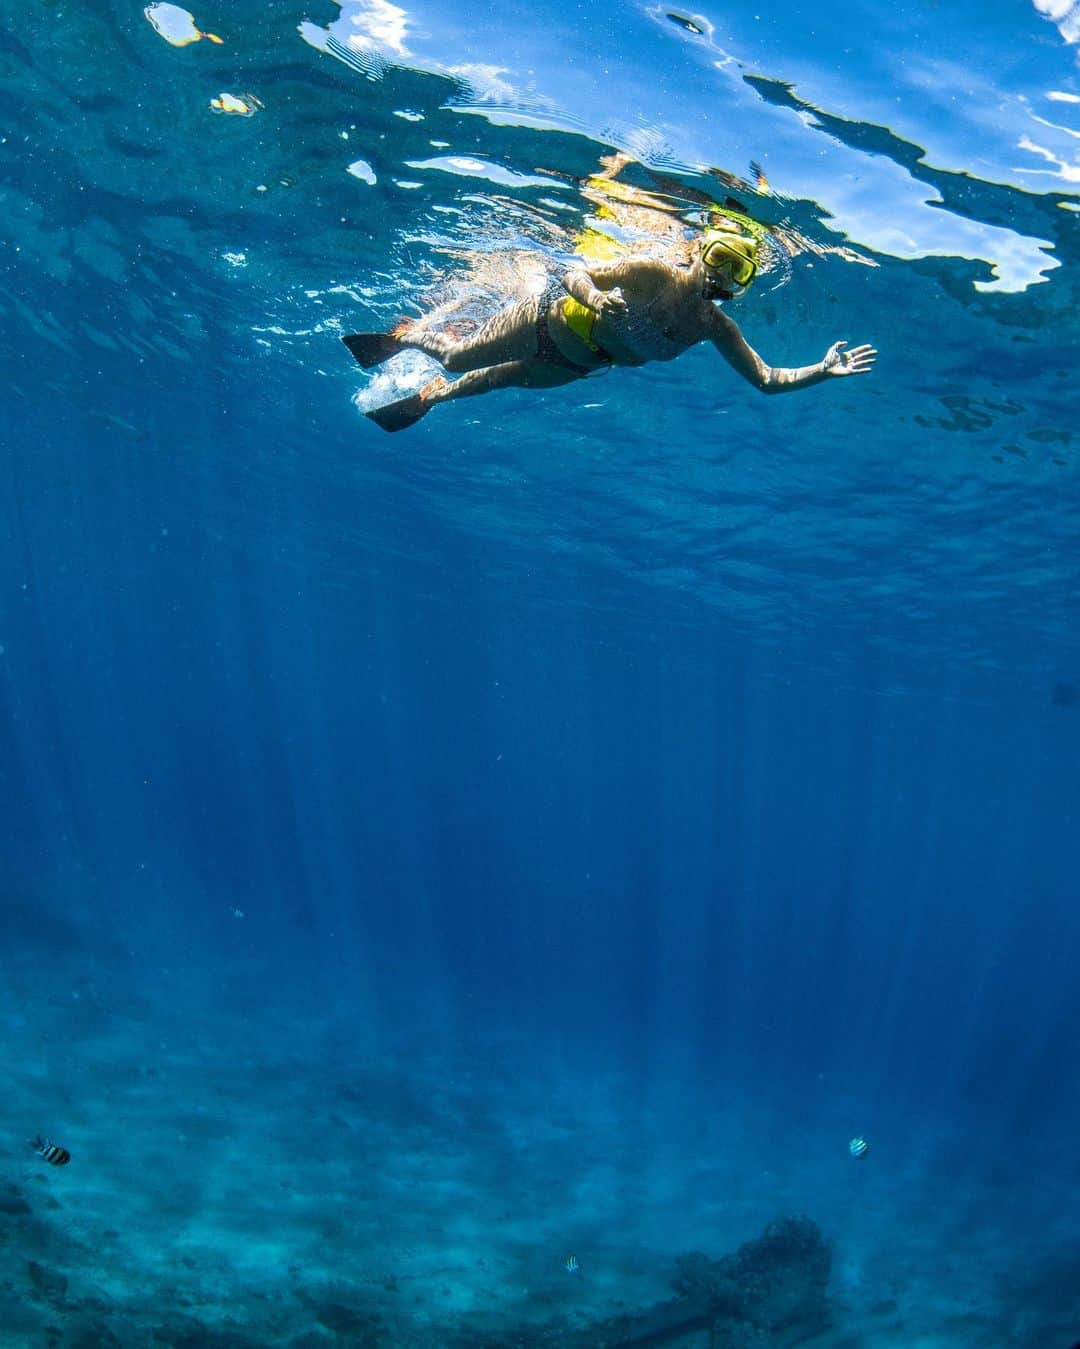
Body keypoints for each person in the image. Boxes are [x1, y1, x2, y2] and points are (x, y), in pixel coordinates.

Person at [343, 219, 876, 433]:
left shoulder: (716, 328)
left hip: (578, 366)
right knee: (460, 357)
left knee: (487, 383)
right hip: (542, 324)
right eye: (718, 255)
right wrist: (595, 299)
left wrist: (822, 371)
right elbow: (573, 271)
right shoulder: (650, 273)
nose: (721, 272)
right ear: (697, 251)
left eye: (738, 269)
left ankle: (429, 399)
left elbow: (765, 379)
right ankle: (410, 334)